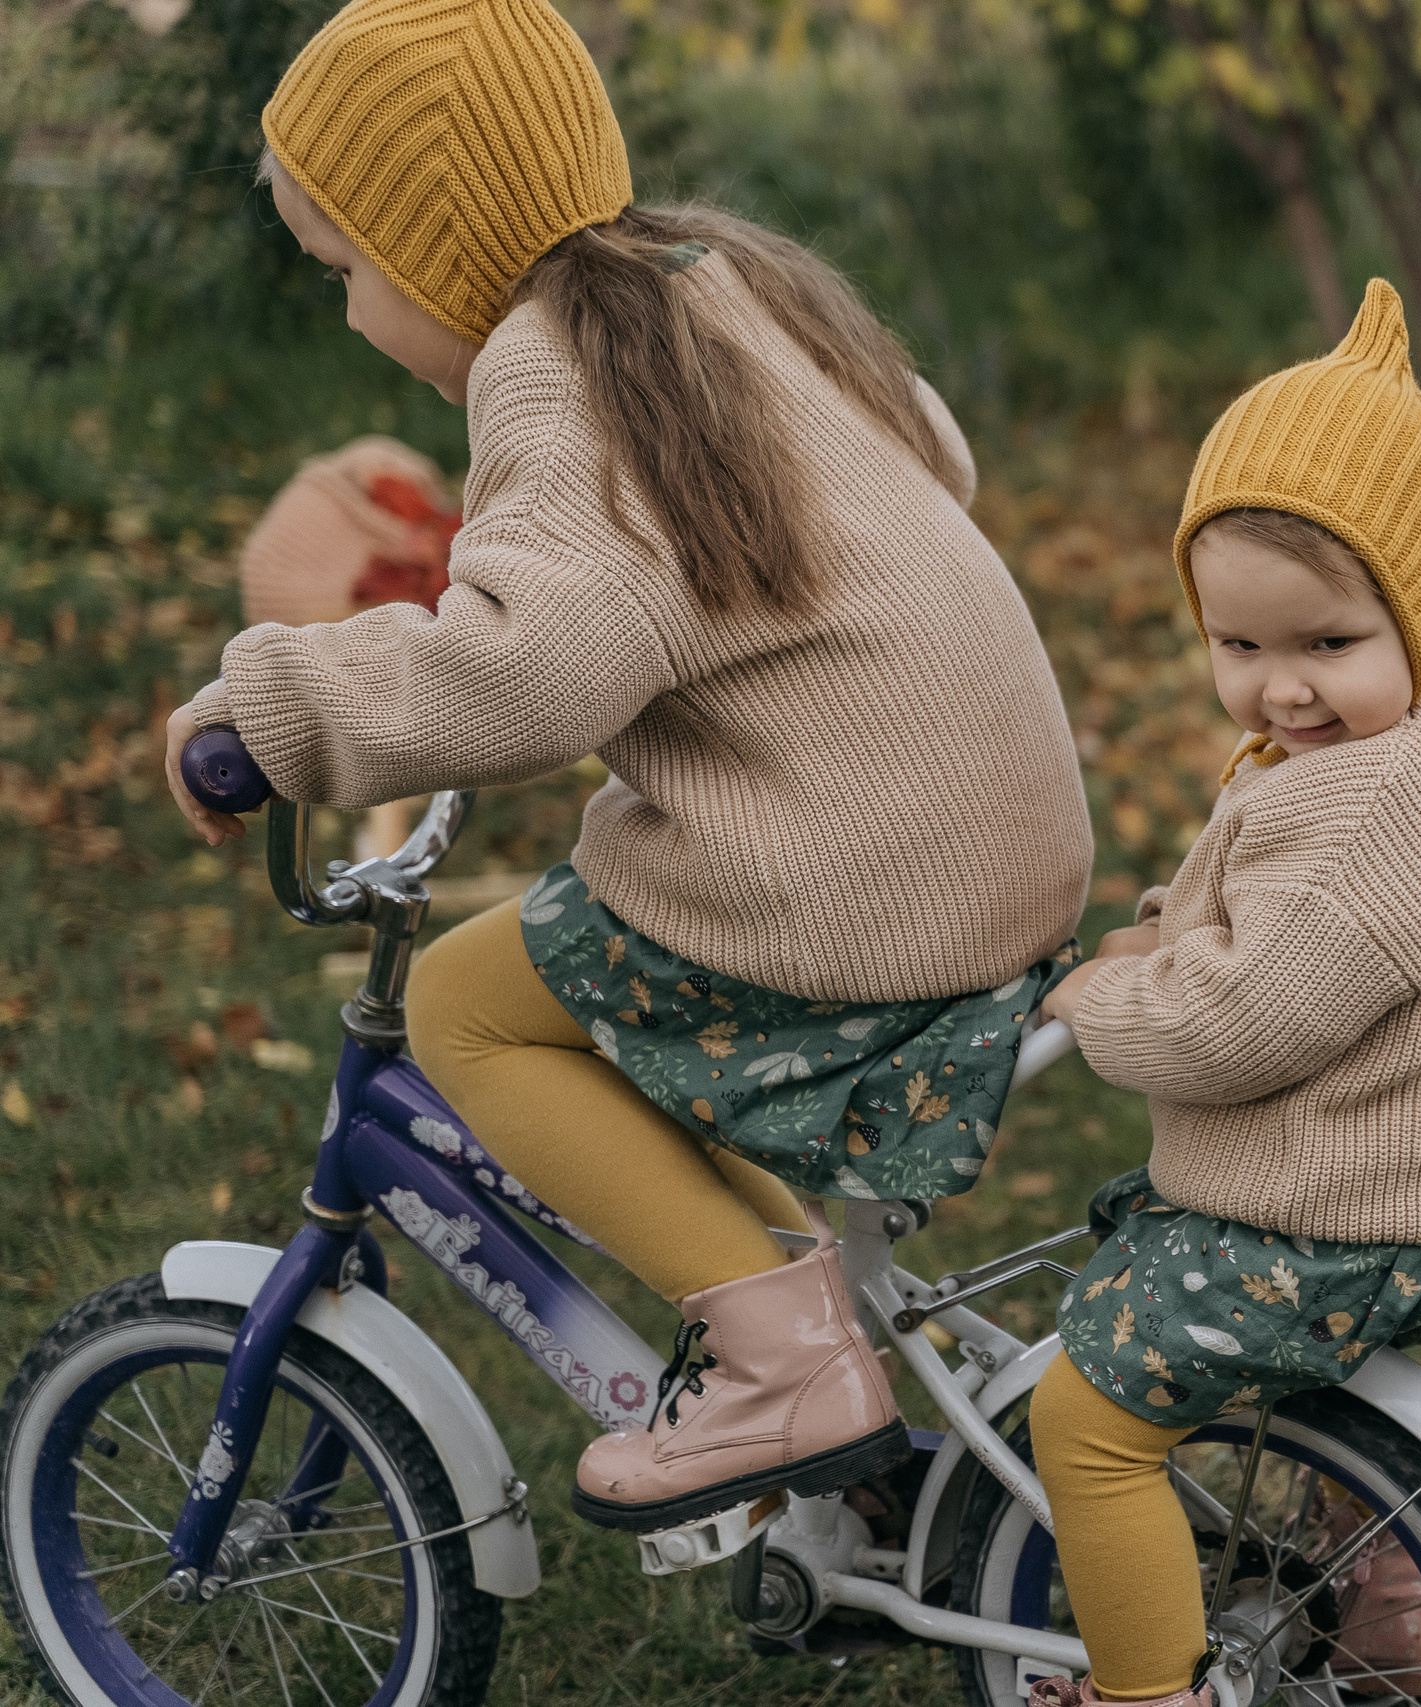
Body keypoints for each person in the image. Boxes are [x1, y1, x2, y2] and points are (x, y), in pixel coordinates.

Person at [160, 0, 1093, 1533]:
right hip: (997, 846)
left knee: (470, 1004)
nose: (346, 316)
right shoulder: (718, 277)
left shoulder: (553, 370)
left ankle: (786, 1361)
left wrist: (272, 714)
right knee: (600, 967)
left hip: (856, 892)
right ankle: (804, 1329)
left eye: (348, 272)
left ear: (438, 245)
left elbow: (526, 671)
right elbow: (934, 456)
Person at [1027, 280, 1421, 1706]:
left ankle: (1144, 1692)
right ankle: (1389, 1605)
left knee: (1083, 1421)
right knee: (1300, 1400)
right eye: (1238, 645)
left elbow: (1236, 1019)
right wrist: (1168, 927)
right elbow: (1267, 918)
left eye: (1327, 644)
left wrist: (1097, 999)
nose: (1280, 692)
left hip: (1341, 1205)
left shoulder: (1372, 813)